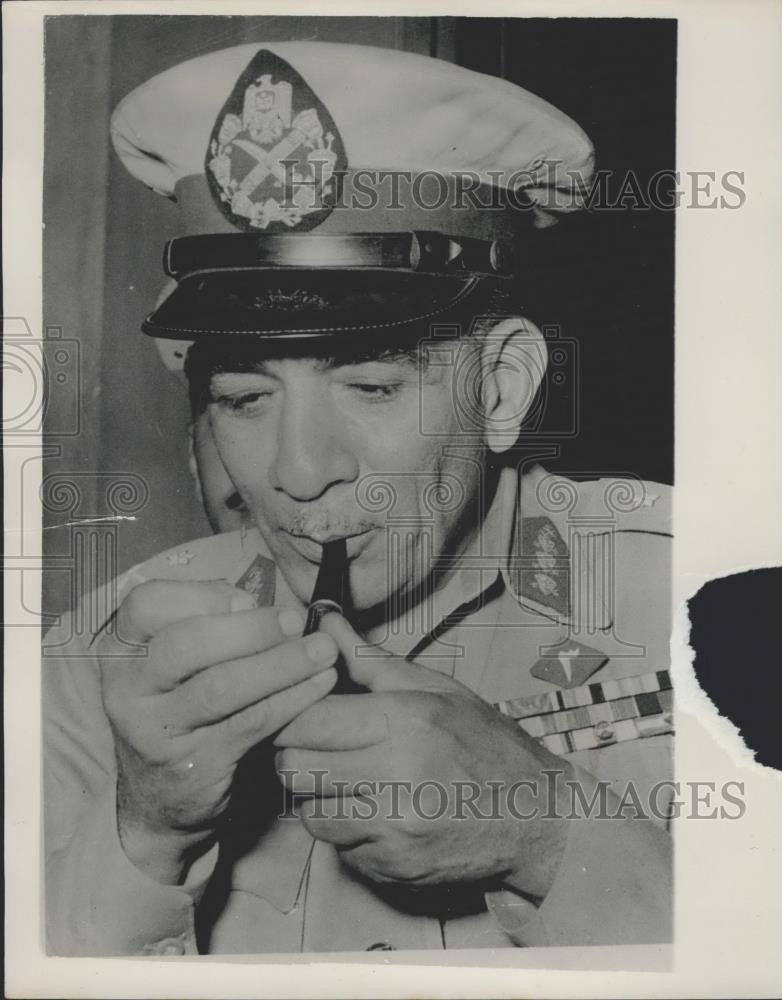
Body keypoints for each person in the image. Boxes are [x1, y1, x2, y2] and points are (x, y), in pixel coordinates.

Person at [44, 41, 673, 956]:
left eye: (372, 386)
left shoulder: (698, 605)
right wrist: (145, 832)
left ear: (501, 388)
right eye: (244, 399)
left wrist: (545, 833)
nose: (298, 473)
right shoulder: (103, 660)